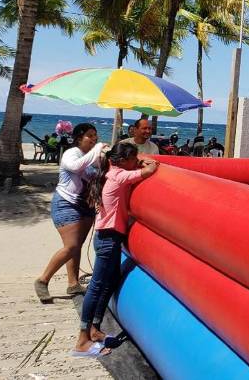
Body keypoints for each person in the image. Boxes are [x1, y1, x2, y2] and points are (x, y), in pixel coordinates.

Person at [72, 143, 158, 357]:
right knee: (96, 286)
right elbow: (151, 168)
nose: (135, 161)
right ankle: (82, 340)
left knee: (108, 282)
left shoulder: (111, 172)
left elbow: (138, 167)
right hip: (108, 238)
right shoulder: (119, 177)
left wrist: (135, 161)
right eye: (133, 159)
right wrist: (143, 162)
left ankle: (94, 328)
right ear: (122, 161)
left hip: (107, 236)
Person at [35, 123, 107, 303]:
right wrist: (97, 149)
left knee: (77, 246)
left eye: (95, 136)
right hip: (66, 204)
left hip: (86, 206)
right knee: (71, 246)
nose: (94, 139)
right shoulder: (71, 153)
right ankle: (42, 280)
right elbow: (76, 167)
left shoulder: (94, 157)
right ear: (78, 138)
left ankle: (73, 283)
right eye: (90, 136)